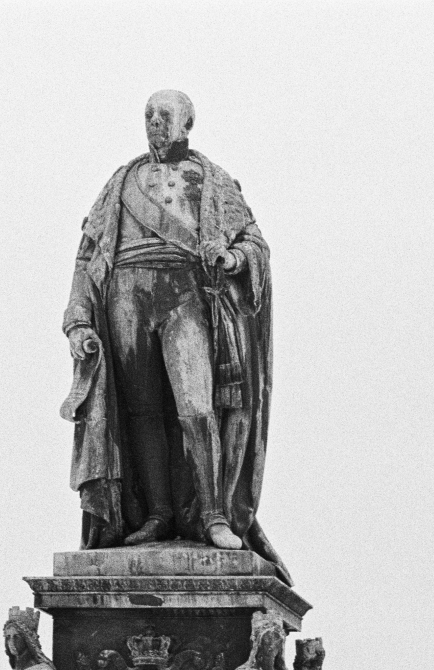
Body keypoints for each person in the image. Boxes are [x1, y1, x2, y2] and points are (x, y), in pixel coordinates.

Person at [63, 90, 284, 574]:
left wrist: (233, 259)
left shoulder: (212, 180)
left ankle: (213, 515)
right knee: (142, 410)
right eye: (148, 114)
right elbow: (88, 254)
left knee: (196, 407)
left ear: (187, 123)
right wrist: (79, 319)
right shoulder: (121, 182)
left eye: (164, 114)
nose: (154, 121)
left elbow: (254, 243)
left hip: (184, 294)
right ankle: (158, 514)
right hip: (126, 294)